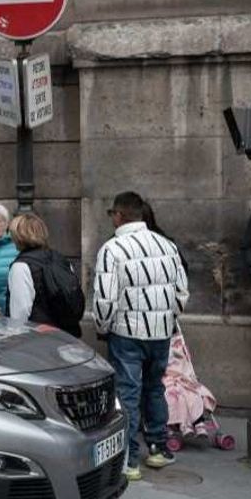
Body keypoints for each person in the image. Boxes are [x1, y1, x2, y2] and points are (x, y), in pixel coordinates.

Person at [94, 191, 188, 482]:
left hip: (127, 332)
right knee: (155, 388)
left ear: (118, 215)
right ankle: (159, 449)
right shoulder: (167, 245)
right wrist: (167, 319)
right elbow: (182, 291)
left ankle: (129, 459)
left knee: (128, 394)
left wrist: (102, 326)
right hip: (160, 332)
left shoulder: (112, 249)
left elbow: (105, 299)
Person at [7, 213, 84, 336]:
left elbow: (20, 313)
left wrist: (15, 337)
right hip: (67, 334)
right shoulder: (60, 259)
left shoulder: (21, 266)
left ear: (19, 236)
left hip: (38, 339)